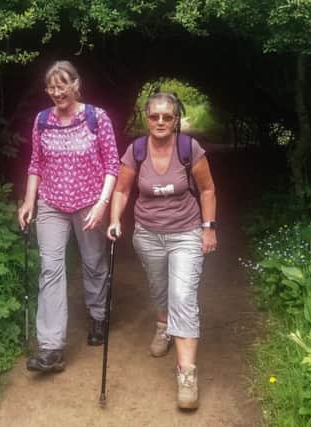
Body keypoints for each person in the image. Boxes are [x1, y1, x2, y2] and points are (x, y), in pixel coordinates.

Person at [106, 92, 217, 409]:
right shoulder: (136, 150)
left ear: (176, 119)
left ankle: (186, 373)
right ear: (146, 116)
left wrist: (208, 227)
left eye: (167, 117)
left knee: (182, 295)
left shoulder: (188, 149)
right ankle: (162, 325)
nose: (160, 122)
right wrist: (114, 219)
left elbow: (208, 189)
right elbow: (122, 189)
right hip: (148, 235)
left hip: (186, 233)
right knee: (160, 288)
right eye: (155, 116)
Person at [17, 60, 119, 372]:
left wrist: (102, 205)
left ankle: (98, 315)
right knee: (50, 269)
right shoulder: (42, 120)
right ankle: (51, 347)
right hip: (51, 204)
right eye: (51, 86)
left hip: (90, 203)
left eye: (63, 85)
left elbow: (112, 165)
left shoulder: (96, 117)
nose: (57, 92)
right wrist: (28, 201)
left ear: (76, 84)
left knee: (93, 263)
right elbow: (36, 163)